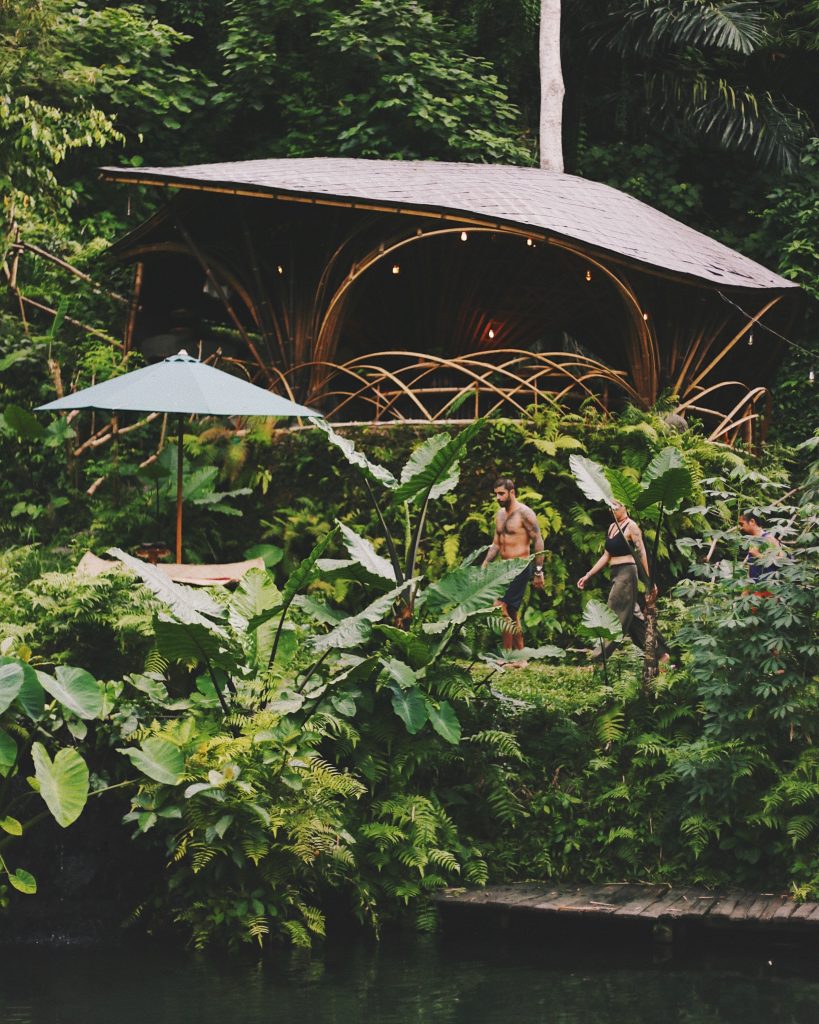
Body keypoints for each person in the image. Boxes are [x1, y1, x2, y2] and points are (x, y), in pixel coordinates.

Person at [576, 502, 670, 664]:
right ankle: (661, 654)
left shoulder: (632, 526)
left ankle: (599, 659)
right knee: (634, 618)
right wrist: (588, 574)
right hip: (615, 573)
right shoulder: (613, 527)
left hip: (627, 574)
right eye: (610, 507)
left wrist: (649, 581)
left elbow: (642, 554)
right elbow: (606, 555)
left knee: (613, 612)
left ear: (625, 507)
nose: (612, 510)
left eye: (616, 506)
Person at [480, 477, 544, 663]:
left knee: (500, 608)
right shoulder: (500, 515)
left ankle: (507, 656)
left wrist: (538, 570)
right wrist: (485, 563)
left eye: (501, 493)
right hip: (503, 568)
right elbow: (496, 543)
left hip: (520, 566)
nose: (498, 498)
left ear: (512, 492)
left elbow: (538, 540)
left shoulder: (525, 513)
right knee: (512, 614)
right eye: (496, 494)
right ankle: (521, 657)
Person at [738, 511, 782, 589]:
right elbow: (751, 567)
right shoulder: (752, 540)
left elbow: (782, 560)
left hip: (768, 586)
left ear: (752, 521)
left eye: (742, 524)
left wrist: (758, 555)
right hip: (755, 587)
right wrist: (747, 589)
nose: (741, 528)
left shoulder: (768, 538)